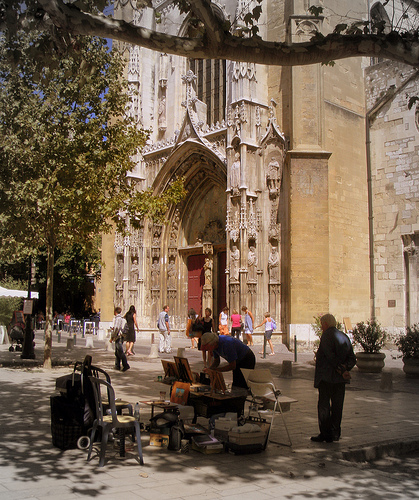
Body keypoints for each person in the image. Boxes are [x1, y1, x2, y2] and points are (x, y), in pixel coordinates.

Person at [311, 314, 356, 443]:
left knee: (324, 406)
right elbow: (352, 358)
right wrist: (345, 369)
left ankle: (325, 433)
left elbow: (330, 356)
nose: (321, 326)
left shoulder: (326, 336)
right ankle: (335, 433)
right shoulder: (344, 336)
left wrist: (341, 370)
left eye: (321, 324)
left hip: (327, 378)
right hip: (339, 380)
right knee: (337, 406)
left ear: (325, 323)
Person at [109, 307, 130, 372]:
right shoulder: (121, 318)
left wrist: (112, 337)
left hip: (119, 336)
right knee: (117, 352)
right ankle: (117, 365)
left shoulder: (118, 319)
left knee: (120, 351)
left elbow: (117, 328)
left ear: (115, 312)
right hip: (120, 336)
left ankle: (125, 365)